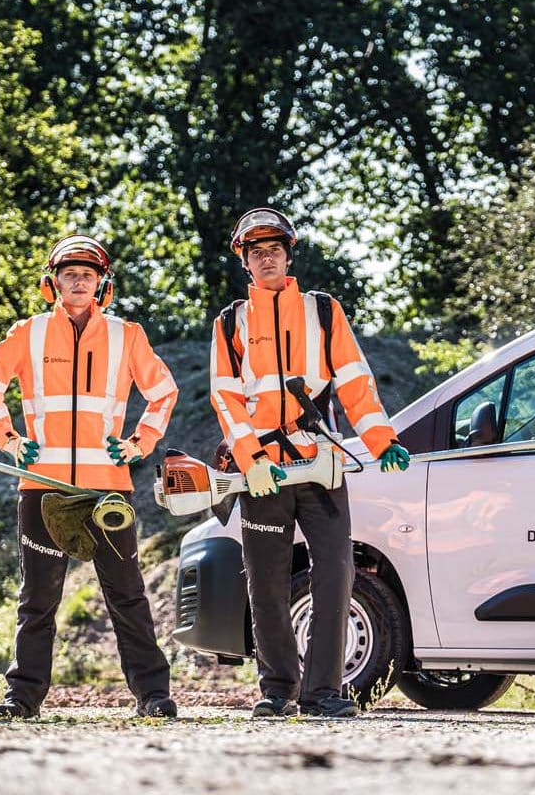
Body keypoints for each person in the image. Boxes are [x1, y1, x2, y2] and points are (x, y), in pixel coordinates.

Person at [208, 208, 412, 718]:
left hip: (320, 463)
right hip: (262, 475)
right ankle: (278, 691)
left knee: (335, 575)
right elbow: (225, 398)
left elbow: (354, 382)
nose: (267, 257)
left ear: (288, 253)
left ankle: (325, 693)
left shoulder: (322, 311)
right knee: (267, 582)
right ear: (245, 263)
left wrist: (382, 439)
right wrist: (250, 460)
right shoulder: (231, 322)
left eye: (274, 249)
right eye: (256, 252)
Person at [0, 234, 180, 719]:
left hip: (107, 487)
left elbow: (163, 391)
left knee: (126, 592)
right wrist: (9, 439)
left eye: (88, 274)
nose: (79, 281)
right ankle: (21, 698)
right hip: (42, 486)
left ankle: (153, 694)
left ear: (102, 284)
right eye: (70, 274)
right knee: (38, 599)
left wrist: (138, 443)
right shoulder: (29, 333)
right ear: (54, 283)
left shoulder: (127, 335)